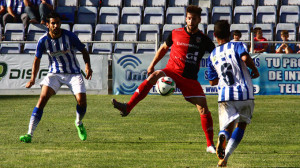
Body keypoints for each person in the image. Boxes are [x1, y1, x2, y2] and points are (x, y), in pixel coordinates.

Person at [112, 5, 216, 153]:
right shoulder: (175, 33)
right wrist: (152, 65)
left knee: (203, 108)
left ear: (199, 20)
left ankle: (210, 145)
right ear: (185, 18)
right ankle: (127, 107)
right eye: (188, 18)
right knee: (154, 76)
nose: (191, 21)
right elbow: (163, 49)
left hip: (190, 79)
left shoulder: (204, 40)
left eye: (194, 18)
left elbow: (216, 55)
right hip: (171, 72)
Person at [19, 12, 93, 143]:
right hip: (55, 74)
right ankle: (29, 134)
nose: (56, 25)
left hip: (74, 73)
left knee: (82, 101)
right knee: (42, 98)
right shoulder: (43, 40)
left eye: (58, 23)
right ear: (47, 25)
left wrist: (87, 66)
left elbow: (84, 50)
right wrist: (32, 79)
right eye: (53, 23)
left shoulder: (69, 36)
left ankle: (79, 122)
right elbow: (36, 60)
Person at [207, 20, 259, 167]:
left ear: (215, 35)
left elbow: (212, 82)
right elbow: (244, 57)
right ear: (230, 34)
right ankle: (225, 158)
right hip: (244, 93)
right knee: (241, 125)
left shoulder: (213, 54)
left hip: (225, 96)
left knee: (227, 127)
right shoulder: (237, 45)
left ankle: (222, 136)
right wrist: (254, 70)